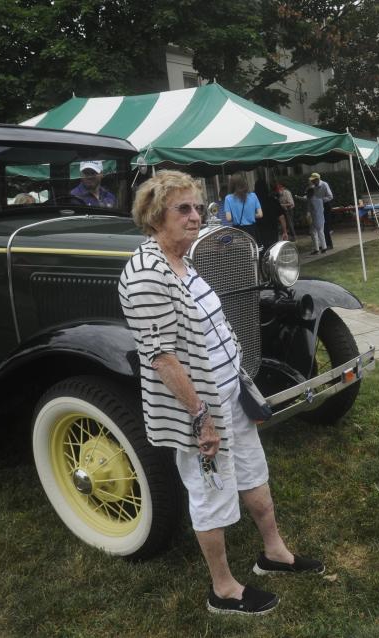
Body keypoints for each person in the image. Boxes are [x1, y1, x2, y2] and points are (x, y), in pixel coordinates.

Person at [119, 170, 324, 616]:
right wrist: (200, 417)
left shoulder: (184, 261)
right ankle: (223, 589)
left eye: (198, 208)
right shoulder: (146, 275)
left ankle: (274, 554)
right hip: (198, 409)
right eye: (184, 209)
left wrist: (240, 385)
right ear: (156, 217)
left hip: (231, 393)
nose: (196, 217)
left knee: (253, 471)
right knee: (209, 493)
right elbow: (163, 358)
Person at [223, 174, 262, 242]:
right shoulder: (253, 195)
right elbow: (260, 214)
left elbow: (228, 218)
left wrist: (236, 216)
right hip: (252, 230)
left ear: (232, 185)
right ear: (244, 183)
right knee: (255, 250)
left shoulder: (228, 198)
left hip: (238, 231)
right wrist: (250, 215)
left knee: (241, 251)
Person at [254, 178, 288, 251]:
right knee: (272, 251)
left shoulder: (253, 202)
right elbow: (281, 217)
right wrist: (284, 231)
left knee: (261, 251)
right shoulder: (273, 200)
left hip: (259, 231)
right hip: (273, 230)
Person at [303, 172, 333, 255]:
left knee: (321, 230)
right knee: (314, 231)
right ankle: (319, 247)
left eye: (313, 181)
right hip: (316, 211)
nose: (312, 182)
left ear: (317, 179)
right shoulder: (312, 189)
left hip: (323, 207)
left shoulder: (324, 185)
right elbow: (309, 203)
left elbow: (330, 196)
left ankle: (325, 246)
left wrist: (321, 200)